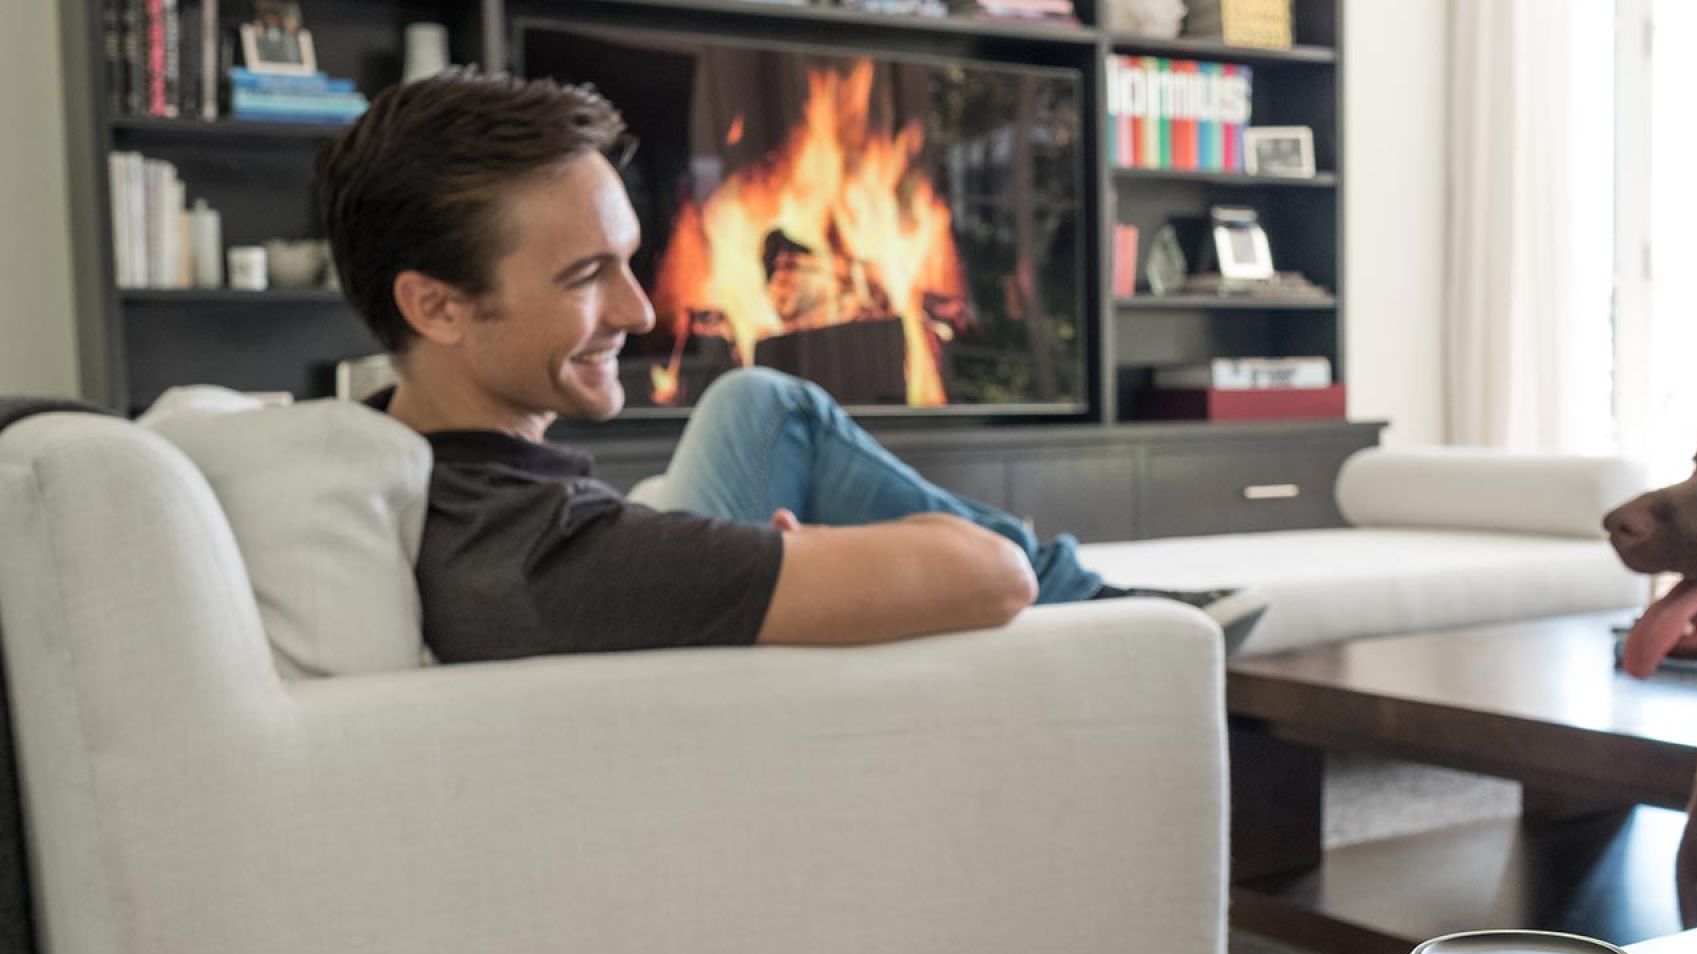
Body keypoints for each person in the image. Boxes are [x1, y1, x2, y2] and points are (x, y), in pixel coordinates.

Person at [314, 69, 1266, 664]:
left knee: (761, 401)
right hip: (647, 613)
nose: (642, 311)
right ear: (432, 303)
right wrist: (813, 554)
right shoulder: (556, 559)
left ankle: (1107, 598)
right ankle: (1127, 627)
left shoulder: (389, 462)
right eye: (585, 276)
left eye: (629, 262)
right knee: (800, 421)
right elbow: (993, 576)